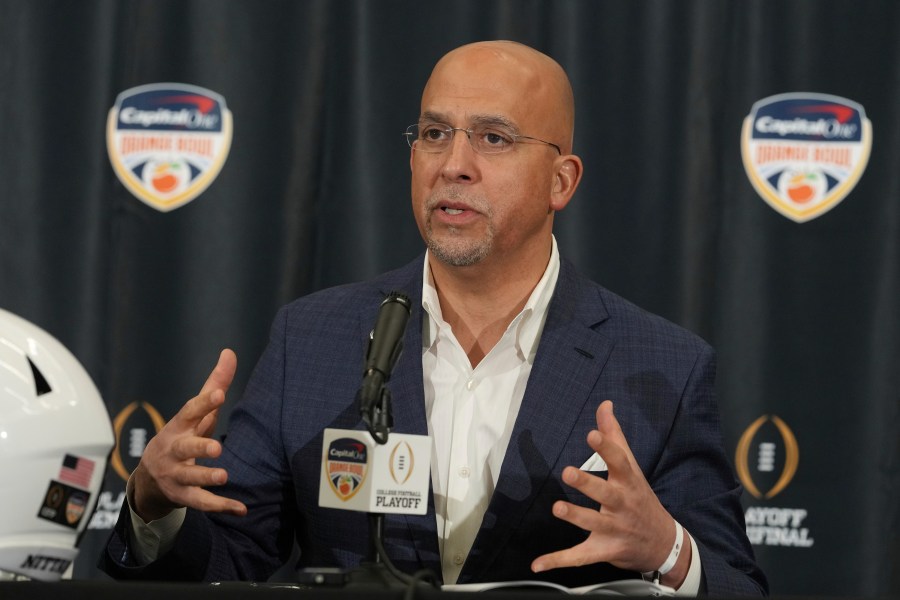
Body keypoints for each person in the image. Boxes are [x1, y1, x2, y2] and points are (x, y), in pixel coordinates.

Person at [99, 40, 767, 595]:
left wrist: (668, 549)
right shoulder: (314, 339)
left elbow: (738, 583)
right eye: (434, 134)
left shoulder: (660, 365)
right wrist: (155, 508)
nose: (453, 166)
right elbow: (227, 563)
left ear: (562, 180)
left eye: (493, 139)